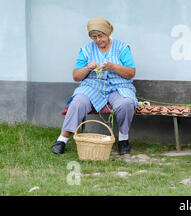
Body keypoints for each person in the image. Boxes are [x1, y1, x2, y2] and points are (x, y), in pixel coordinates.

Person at [51, 17, 137, 155]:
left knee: (126, 103)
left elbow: (131, 72)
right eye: (94, 37)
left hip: (119, 87)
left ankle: (123, 140)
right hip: (92, 87)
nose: (98, 40)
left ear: (107, 33)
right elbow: (76, 76)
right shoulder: (86, 50)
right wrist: (87, 68)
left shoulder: (122, 47)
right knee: (77, 102)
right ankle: (62, 140)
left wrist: (113, 66)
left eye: (100, 36)